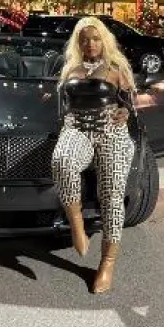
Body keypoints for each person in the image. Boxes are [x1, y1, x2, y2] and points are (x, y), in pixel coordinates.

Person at [51, 17, 136, 294]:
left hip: (110, 131)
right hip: (76, 128)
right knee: (62, 161)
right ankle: (77, 227)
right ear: (78, 42)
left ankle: (107, 264)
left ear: (104, 41)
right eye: (85, 39)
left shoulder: (115, 68)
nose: (91, 44)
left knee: (112, 194)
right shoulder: (70, 69)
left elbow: (130, 103)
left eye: (96, 38)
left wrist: (125, 112)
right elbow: (61, 104)